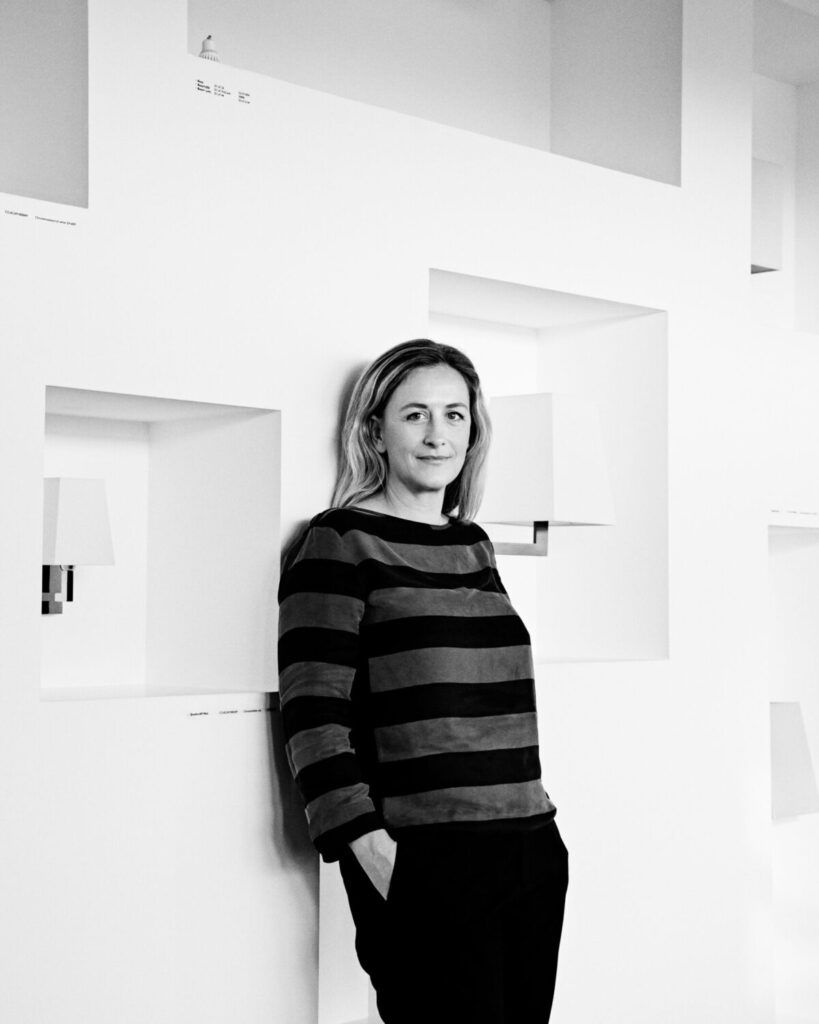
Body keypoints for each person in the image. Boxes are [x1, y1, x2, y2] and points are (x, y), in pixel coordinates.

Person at [277, 339, 568, 1023]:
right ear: (375, 430)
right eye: (415, 415)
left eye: (453, 415)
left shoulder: (472, 544)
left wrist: (539, 831)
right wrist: (372, 851)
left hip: (529, 848)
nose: (438, 435)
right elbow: (313, 712)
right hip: (427, 854)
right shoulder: (340, 541)